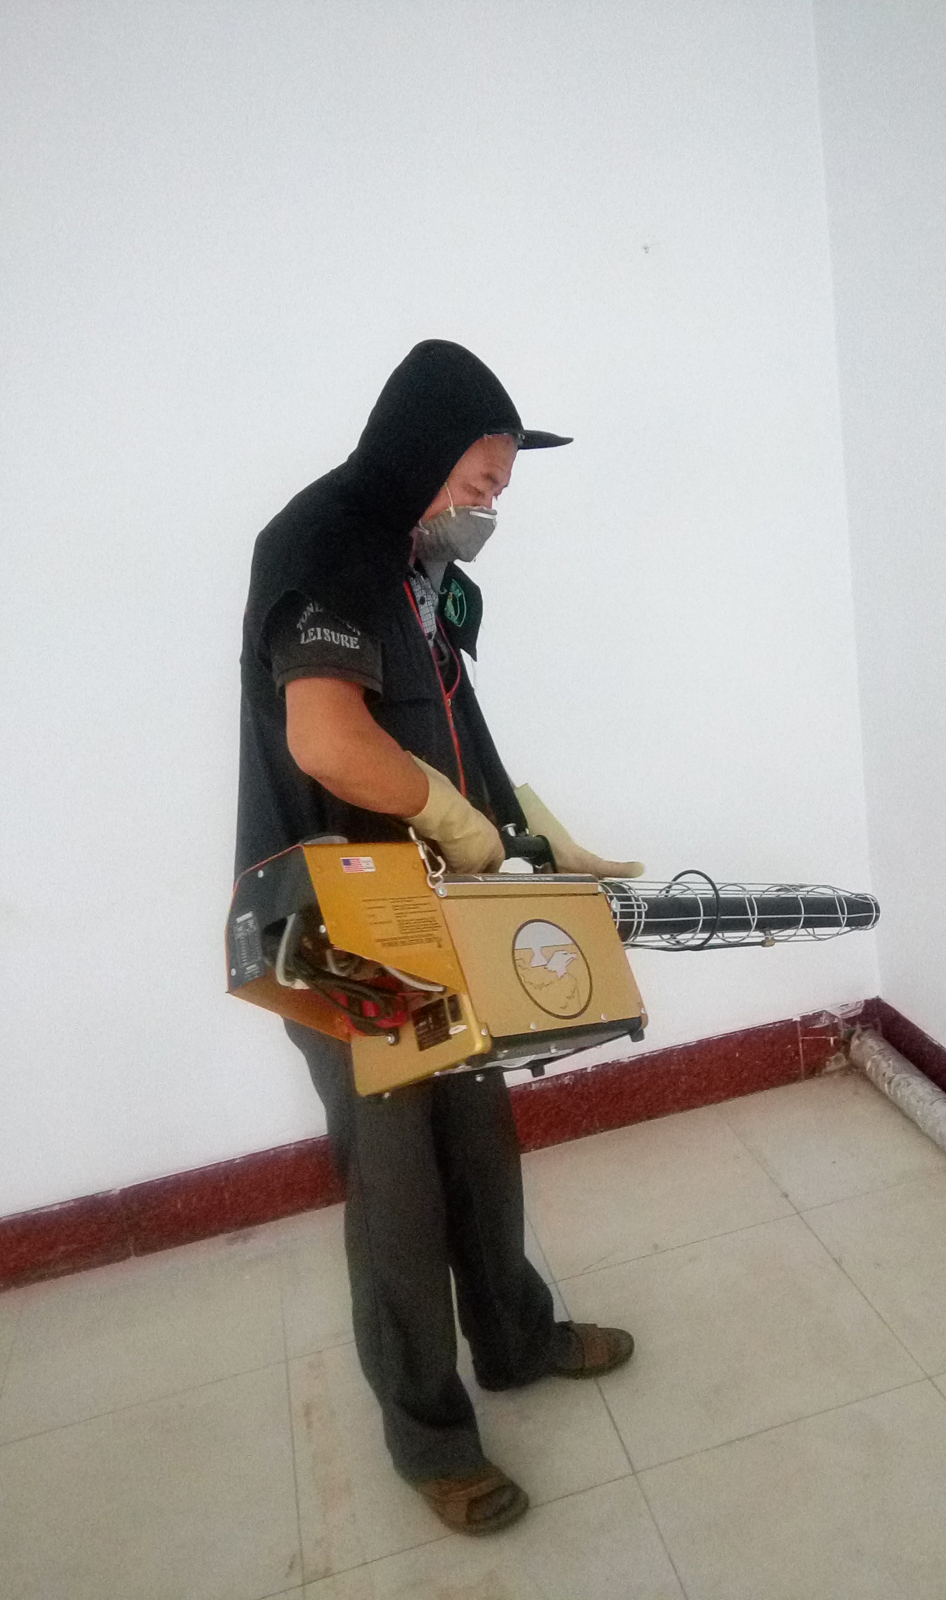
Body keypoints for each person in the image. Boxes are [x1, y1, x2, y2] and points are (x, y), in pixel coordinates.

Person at [235, 340, 642, 1536]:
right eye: (480, 481)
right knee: (398, 1183)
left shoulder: (420, 572)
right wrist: (453, 819)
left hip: (436, 905)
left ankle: (514, 1336)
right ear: (423, 449)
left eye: (501, 488)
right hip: (337, 921)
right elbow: (327, 739)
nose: (490, 506)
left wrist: (526, 829)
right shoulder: (321, 541)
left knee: (477, 1129)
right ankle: (429, 1434)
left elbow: (454, 723)